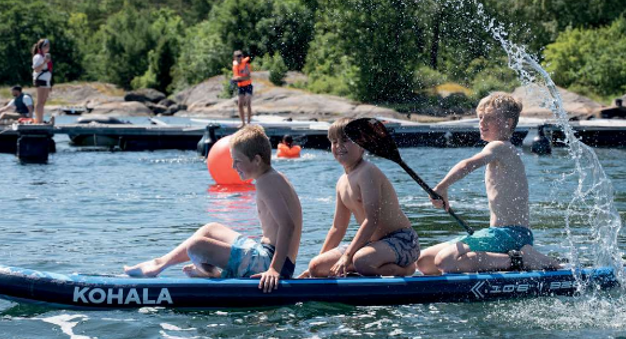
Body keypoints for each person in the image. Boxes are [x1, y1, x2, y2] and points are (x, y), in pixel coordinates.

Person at [125, 125, 302, 292]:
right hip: (266, 254)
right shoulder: (272, 177)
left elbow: (287, 225)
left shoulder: (266, 182)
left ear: (256, 160)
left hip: (271, 263)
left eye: (237, 161)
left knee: (196, 247)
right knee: (211, 229)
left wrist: (274, 271)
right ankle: (159, 263)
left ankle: (212, 273)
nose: (233, 167)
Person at [417, 92, 560, 274]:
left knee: (445, 262)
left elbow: (468, 164)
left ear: (508, 123)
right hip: (498, 235)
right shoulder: (501, 149)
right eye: (480, 118)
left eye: (489, 118)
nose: (482, 123)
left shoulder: (500, 146)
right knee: (424, 262)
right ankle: (503, 259)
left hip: (513, 235)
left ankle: (519, 259)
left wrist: (441, 188)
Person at [304, 118, 420, 278]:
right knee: (316, 267)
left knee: (362, 261)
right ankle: (357, 266)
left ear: (362, 145)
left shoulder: (367, 172)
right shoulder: (341, 182)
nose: (338, 146)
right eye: (334, 141)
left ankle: (406, 269)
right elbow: (338, 228)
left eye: (345, 140)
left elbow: (372, 220)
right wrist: (316, 263)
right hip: (372, 244)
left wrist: (347, 256)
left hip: (403, 241)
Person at [32, 38, 54, 124]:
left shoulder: (45, 56)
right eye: (45, 46)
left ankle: (40, 119)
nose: (47, 48)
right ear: (40, 47)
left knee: (43, 101)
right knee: (39, 101)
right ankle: (38, 120)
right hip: (40, 79)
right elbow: (37, 69)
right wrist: (45, 61)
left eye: (48, 46)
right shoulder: (38, 57)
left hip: (46, 80)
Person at [232, 50, 252, 126]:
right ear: (235, 58)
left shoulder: (246, 64)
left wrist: (238, 78)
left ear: (242, 57)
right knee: (240, 104)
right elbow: (235, 76)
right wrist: (234, 79)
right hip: (241, 86)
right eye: (238, 56)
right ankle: (243, 123)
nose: (239, 58)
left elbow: (247, 77)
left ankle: (249, 123)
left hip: (248, 86)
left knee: (248, 102)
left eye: (240, 56)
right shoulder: (235, 66)